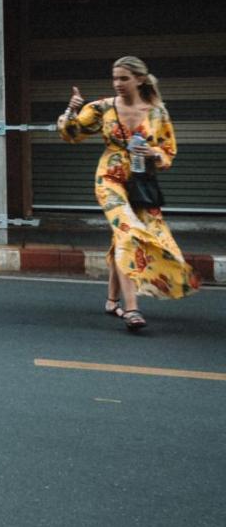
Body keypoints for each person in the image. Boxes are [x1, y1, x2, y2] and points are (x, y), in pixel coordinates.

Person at [58, 56, 200, 332]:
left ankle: (112, 301)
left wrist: (153, 152)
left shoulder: (157, 113)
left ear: (140, 79)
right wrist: (71, 109)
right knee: (128, 232)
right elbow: (71, 134)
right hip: (109, 180)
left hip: (141, 184)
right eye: (115, 78)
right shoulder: (103, 107)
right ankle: (132, 309)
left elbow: (168, 153)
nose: (118, 84)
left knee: (135, 237)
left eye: (124, 78)